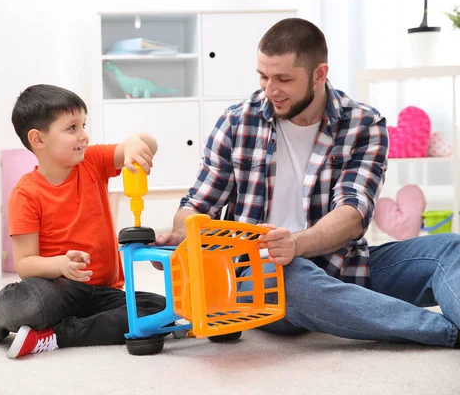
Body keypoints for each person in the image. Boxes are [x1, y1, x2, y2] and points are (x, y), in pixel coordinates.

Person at [156, 17, 460, 348]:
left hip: (343, 266)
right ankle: (445, 332)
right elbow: (199, 206)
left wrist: (296, 245)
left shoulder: (364, 124)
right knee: (288, 276)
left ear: (319, 74)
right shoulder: (236, 122)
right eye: (263, 76)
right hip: (260, 277)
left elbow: (353, 213)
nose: (270, 89)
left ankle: (359, 307)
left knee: (449, 248)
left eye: (283, 78)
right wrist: (181, 235)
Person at [0, 84, 166, 358]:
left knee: (158, 310)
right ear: (38, 140)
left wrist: (136, 141)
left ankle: (54, 336)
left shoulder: (93, 161)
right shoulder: (25, 193)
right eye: (72, 128)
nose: (84, 136)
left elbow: (148, 144)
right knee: (27, 302)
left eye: (84, 124)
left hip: (103, 292)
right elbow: (25, 264)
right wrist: (61, 265)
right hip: (57, 289)